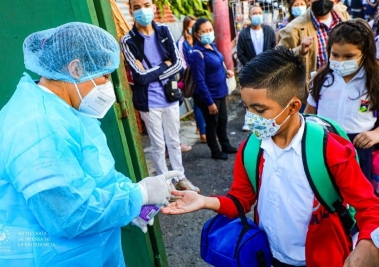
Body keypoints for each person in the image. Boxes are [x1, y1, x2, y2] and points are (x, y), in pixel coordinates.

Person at [0, 22, 180, 267]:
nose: (109, 85)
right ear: (76, 68)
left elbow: (96, 175)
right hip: (40, 257)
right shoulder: (38, 127)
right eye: (105, 75)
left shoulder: (66, 111)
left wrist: (131, 201)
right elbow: (68, 214)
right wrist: (139, 195)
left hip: (80, 252)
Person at [162, 47, 379, 267]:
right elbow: (240, 200)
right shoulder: (251, 149)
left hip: (324, 258)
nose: (251, 118)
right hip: (270, 256)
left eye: (260, 109)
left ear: (293, 106)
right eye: (247, 108)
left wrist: (367, 244)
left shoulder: (329, 150)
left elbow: (369, 207)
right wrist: (205, 201)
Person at [121, 0, 199, 192]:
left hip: (169, 96)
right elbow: (139, 77)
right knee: (157, 145)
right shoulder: (127, 41)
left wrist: (151, 73)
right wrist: (164, 66)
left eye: (146, 5)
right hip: (149, 102)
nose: (142, 11)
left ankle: (180, 176)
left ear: (154, 7)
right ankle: (166, 183)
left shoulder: (164, 31)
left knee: (173, 141)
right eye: (137, 7)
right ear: (131, 11)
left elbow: (179, 64)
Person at [305, 19, 379, 184]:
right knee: (325, 192)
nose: (340, 61)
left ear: (365, 54)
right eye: (335, 55)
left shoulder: (374, 81)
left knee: (358, 195)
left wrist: (375, 134)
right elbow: (309, 112)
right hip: (323, 144)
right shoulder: (321, 79)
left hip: (359, 148)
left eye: (349, 56)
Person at [189, 18, 238, 160]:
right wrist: (209, 102)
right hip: (209, 95)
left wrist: (226, 72)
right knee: (212, 124)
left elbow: (217, 64)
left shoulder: (212, 46)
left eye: (210, 30)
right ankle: (215, 151)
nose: (208, 33)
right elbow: (199, 80)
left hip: (220, 91)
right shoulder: (197, 53)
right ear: (197, 34)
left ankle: (225, 145)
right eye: (204, 31)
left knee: (222, 120)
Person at [278, 0, 350, 92]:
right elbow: (279, 58)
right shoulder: (293, 28)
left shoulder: (343, 16)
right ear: (308, 1)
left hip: (346, 86)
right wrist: (300, 50)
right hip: (316, 92)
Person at [237, 6, 276, 132]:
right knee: (251, 96)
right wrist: (250, 66)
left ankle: (267, 119)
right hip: (250, 69)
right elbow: (240, 53)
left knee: (267, 95)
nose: (257, 15)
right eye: (254, 13)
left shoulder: (269, 31)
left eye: (259, 13)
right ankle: (249, 121)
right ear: (250, 16)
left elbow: (273, 48)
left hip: (267, 69)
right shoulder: (244, 33)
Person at [177, 15, 207, 143]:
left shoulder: (199, 40)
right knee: (199, 104)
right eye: (192, 26)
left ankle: (202, 128)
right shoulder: (181, 43)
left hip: (204, 75)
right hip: (191, 77)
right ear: (186, 27)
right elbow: (181, 62)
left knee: (205, 102)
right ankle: (203, 132)